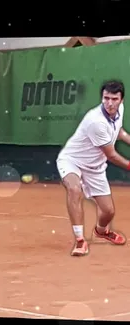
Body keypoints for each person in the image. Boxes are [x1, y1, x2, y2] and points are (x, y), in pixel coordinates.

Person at [56, 80, 130, 256]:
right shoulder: (95, 121)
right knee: (74, 189)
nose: (110, 103)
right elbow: (111, 155)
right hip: (72, 160)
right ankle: (80, 241)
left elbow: (118, 131)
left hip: (95, 167)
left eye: (114, 99)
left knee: (108, 211)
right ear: (101, 97)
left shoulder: (119, 110)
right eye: (106, 98)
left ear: (122, 100)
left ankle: (101, 231)